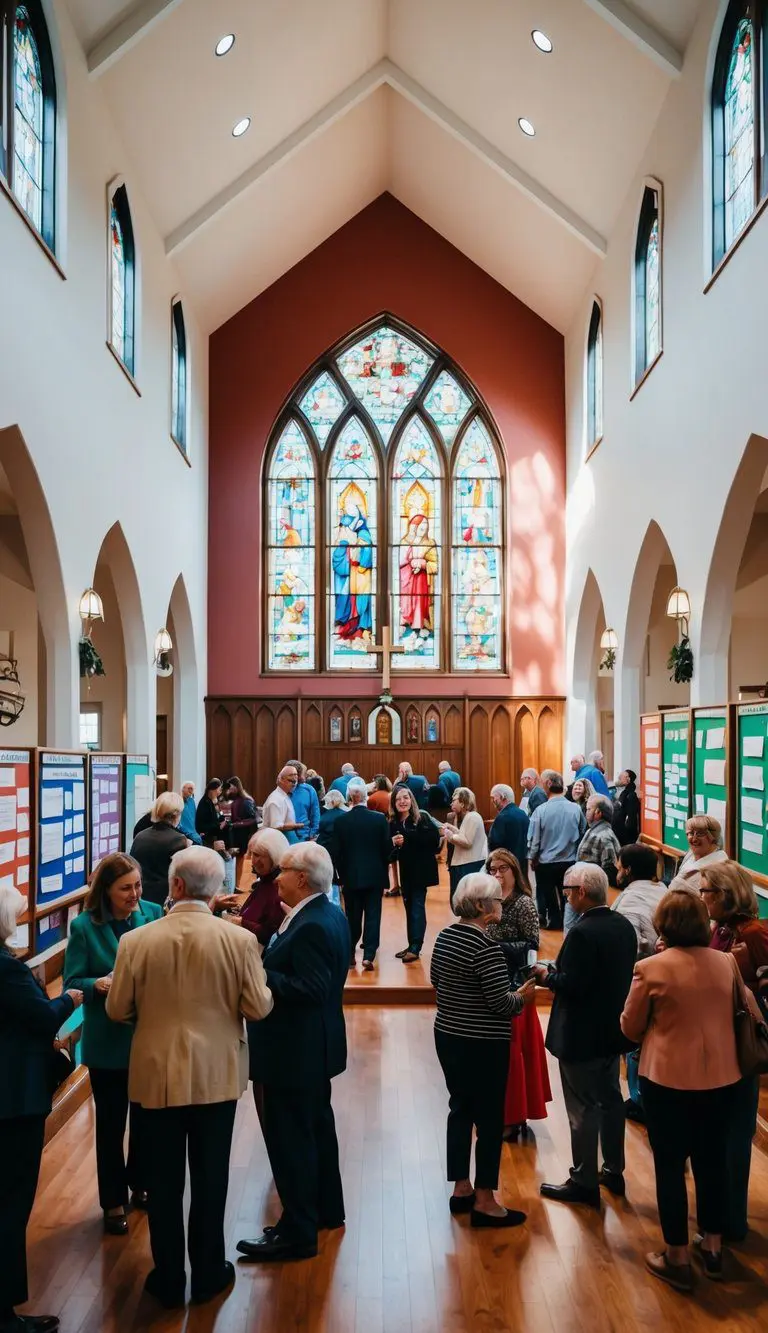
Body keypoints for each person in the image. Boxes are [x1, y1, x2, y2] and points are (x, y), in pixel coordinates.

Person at [106, 847, 273, 1309]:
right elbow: (258, 1008)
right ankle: (207, 1272)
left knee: (162, 1184)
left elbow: (117, 1009)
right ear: (217, 890)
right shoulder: (238, 941)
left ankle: (167, 1276)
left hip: (155, 1077)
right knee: (210, 1177)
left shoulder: (135, 941)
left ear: (174, 886)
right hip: (216, 1077)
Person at [620, 889, 758, 1291]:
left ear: (664, 925)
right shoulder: (726, 963)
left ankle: (676, 1256)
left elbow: (630, 1027)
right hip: (722, 1077)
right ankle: (713, 1247)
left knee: (669, 1166)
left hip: (667, 1081)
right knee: (712, 1161)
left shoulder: (651, 968)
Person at [238, 843, 349, 1262]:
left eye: (283, 871)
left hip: (294, 1052)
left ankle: (297, 1231)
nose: (277, 878)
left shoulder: (312, 924)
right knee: (317, 1131)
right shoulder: (324, 914)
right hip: (310, 1049)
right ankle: (324, 1210)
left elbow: (312, 988)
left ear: (302, 878)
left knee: (292, 1141)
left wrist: (259, 972)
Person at [63, 854, 162, 1235]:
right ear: (105, 890)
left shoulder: (152, 913)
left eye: (137, 885)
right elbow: (73, 981)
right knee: (109, 1126)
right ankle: (112, 1201)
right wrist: (97, 984)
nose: (135, 894)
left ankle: (141, 1185)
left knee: (145, 1121)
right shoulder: (85, 927)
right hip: (107, 1043)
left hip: (148, 1038)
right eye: (125, 888)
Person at [431, 872, 536, 1227]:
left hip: (448, 1035)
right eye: (495, 899)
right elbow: (501, 1004)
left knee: (459, 1108)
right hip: (484, 1043)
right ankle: (486, 1199)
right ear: (480, 906)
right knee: (490, 1118)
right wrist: (523, 996)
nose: (500, 904)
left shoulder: (446, 937)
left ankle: (461, 1188)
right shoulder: (486, 947)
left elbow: (435, 981)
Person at [0, 886, 83, 1333]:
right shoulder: (6, 970)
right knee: (11, 1206)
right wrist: (70, 999)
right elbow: (43, 1016)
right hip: (12, 1102)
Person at [535, 863, 636, 1208]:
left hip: (580, 1035)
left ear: (580, 892)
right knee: (610, 1101)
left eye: (566, 892)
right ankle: (614, 1169)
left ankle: (583, 1180)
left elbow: (572, 985)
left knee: (581, 1109)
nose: (564, 898)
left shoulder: (581, 933)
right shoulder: (622, 925)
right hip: (613, 1031)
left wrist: (545, 975)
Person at [700, 860, 768, 1242]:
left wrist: (736, 971)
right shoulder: (722, 930)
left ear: (727, 895)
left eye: (707, 891)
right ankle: (720, 1217)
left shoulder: (754, 934)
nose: (703, 898)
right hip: (715, 1041)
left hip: (741, 1047)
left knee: (736, 1135)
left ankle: (732, 1221)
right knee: (717, 1133)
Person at [485, 850, 551, 1138]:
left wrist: (496, 950)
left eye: (502, 869)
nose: (497, 874)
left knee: (516, 1056)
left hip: (515, 986)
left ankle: (515, 1116)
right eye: (492, 869)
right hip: (492, 985)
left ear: (514, 870)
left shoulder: (524, 904)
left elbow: (531, 946)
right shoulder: (488, 901)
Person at [611, 843, 666, 1123]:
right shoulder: (660, 890)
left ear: (628, 870)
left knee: (635, 1042)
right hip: (662, 975)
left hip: (640, 977)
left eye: (620, 865)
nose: (617, 869)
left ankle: (639, 1100)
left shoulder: (632, 901)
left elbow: (626, 944)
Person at [334, 777, 391, 971]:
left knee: (352, 915)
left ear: (350, 797)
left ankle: (350, 953)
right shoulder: (379, 819)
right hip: (375, 875)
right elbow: (386, 850)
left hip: (350, 877)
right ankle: (368, 956)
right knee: (373, 916)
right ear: (366, 796)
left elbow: (337, 852)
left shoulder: (341, 821)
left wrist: (341, 875)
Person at [211, 829, 290, 948]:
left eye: (258, 855)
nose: (252, 860)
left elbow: (272, 936)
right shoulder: (264, 882)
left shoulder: (278, 889)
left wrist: (243, 922)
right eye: (252, 854)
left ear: (274, 856)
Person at [527, 771, 585, 931]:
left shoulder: (541, 810)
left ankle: (554, 921)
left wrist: (532, 857)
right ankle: (569, 923)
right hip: (569, 860)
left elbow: (535, 839)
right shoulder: (575, 808)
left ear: (548, 785)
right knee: (567, 893)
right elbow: (582, 831)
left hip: (546, 861)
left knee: (548, 894)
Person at [389, 786, 440, 962]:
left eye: (406, 797)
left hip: (421, 871)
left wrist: (408, 839)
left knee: (417, 908)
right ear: (393, 803)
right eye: (398, 799)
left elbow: (434, 842)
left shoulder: (421, 818)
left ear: (412, 800)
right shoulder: (393, 822)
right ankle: (411, 944)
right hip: (406, 871)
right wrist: (392, 843)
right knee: (409, 907)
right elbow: (389, 849)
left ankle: (416, 947)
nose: (402, 801)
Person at [129, 793, 188, 906]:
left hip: (140, 899)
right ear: (177, 814)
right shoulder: (178, 840)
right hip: (165, 901)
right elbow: (183, 878)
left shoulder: (140, 836)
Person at [612, 843, 665, 959]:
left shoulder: (628, 904)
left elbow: (629, 951)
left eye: (619, 868)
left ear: (628, 870)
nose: (617, 874)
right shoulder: (664, 891)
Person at [441, 787, 488, 905]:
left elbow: (467, 842)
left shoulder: (472, 816)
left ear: (463, 802)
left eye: (455, 800)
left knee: (467, 900)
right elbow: (464, 835)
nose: (452, 802)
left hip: (469, 863)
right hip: (466, 862)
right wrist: (453, 830)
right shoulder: (469, 816)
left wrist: (449, 835)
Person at [668, 815, 728, 893]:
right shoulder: (690, 855)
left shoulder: (718, 867)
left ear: (713, 837)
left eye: (700, 834)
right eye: (691, 833)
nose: (694, 839)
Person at [576, 795, 620, 888]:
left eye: (588, 809)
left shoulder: (604, 836)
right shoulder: (592, 830)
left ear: (598, 812)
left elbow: (610, 871)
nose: (586, 812)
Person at [487, 785, 529, 878]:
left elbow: (494, 844)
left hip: (506, 867)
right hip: (522, 864)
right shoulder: (523, 814)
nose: (492, 801)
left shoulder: (502, 817)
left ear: (503, 797)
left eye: (493, 797)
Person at [261, 766, 304, 844]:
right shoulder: (275, 799)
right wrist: (296, 826)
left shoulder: (284, 795)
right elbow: (276, 826)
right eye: (291, 781)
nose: (294, 784)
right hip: (279, 841)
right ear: (281, 780)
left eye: (296, 781)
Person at [225, 776, 260, 869]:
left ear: (236, 787)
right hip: (235, 834)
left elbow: (253, 820)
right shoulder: (234, 799)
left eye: (231, 787)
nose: (229, 789)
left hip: (243, 835)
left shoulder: (246, 801)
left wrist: (235, 824)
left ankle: (239, 883)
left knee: (240, 861)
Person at [286, 760, 320, 842]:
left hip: (305, 837)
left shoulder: (309, 790)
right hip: (285, 836)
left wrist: (313, 834)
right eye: (303, 773)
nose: (305, 775)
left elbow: (315, 814)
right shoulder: (282, 790)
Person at [612, 769, 640, 846]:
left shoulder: (630, 796)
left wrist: (628, 839)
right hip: (618, 833)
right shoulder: (620, 792)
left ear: (628, 779)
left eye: (622, 776)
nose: (619, 777)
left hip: (625, 838)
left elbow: (631, 819)